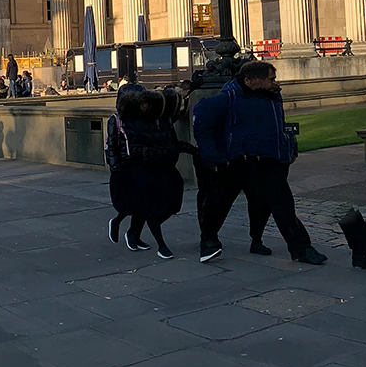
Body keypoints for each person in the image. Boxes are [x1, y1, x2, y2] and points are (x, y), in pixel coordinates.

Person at [191, 61, 326, 264]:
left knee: (282, 206)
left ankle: (300, 248)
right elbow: (201, 123)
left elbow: (282, 127)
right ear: (251, 80)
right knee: (218, 204)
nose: (275, 83)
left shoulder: (272, 98)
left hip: (267, 162)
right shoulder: (227, 98)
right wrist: (213, 158)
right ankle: (209, 241)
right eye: (271, 79)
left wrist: (290, 147)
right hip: (235, 162)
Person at [104, 84, 190, 259]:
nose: (144, 105)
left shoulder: (149, 118)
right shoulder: (117, 120)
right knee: (141, 203)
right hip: (128, 167)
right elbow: (111, 146)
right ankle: (158, 243)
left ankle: (130, 231)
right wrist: (116, 168)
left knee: (143, 203)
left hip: (146, 165)